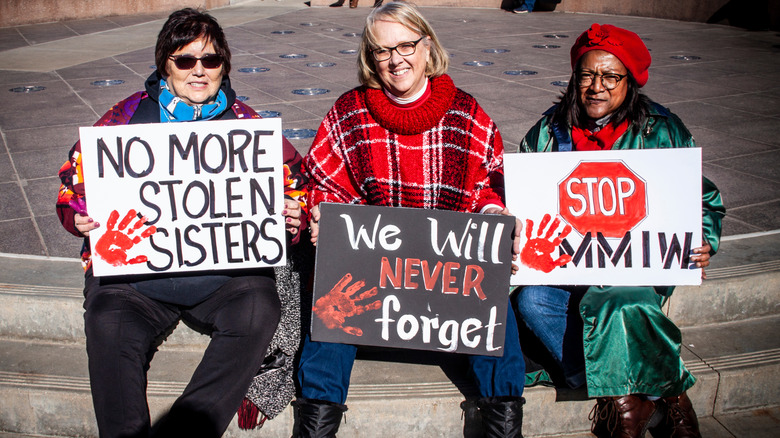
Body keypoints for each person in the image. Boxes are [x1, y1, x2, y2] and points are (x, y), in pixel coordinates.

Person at [55, 8, 308, 437]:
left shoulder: (249, 126)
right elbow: (73, 182)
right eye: (184, 60)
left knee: (259, 310)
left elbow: (294, 183)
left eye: (210, 60)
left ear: (223, 66)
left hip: (223, 277)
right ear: (164, 65)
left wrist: (292, 214)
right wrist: (77, 216)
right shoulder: (125, 118)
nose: (198, 71)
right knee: (107, 323)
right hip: (136, 282)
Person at [297, 2, 526, 437]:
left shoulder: (467, 114)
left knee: (497, 310)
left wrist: (496, 216)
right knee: (327, 308)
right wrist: (323, 213)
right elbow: (326, 182)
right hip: (374, 274)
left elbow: (489, 185)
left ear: (427, 47)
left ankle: (504, 425)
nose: (395, 59)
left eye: (405, 45)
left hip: (447, 278)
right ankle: (316, 426)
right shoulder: (350, 112)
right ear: (371, 57)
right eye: (383, 51)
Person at [512, 23, 725, 438]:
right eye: (587, 75)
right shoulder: (548, 131)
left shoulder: (662, 130)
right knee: (533, 303)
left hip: (636, 266)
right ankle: (653, 397)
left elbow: (703, 199)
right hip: (568, 264)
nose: (597, 87)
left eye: (610, 76)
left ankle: (623, 405)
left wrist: (703, 239)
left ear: (630, 81)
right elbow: (520, 198)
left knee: (619, 301)